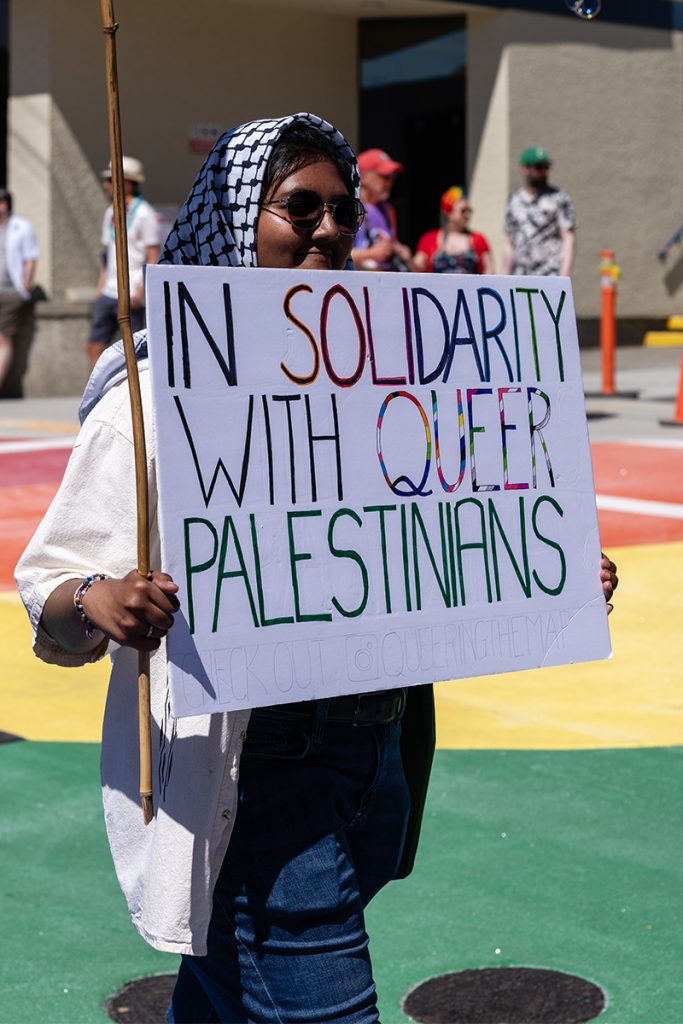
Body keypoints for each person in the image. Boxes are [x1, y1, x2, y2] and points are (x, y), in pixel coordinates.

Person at [15, 114, 618, 1024]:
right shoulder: (151, 391)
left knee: (228, 990)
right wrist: (100, 600)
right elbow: (51, 590)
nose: (331, 230)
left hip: (375, 755)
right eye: (301, 208)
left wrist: (547, 574)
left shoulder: (394, 375)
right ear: (233, 220)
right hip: (257, 773)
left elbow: (432, 543)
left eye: (344, 212)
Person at [86, 155, 161, 366]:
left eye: (111, 180)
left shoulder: (144, 213)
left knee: (134, 350)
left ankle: (131, 394)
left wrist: (140, 291)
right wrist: (99, 288)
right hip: (108, 291)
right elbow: (107, 253)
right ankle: (101, 396)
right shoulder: (110, 211)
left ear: (126, 182)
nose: (106, 185)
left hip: (131, 291)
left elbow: (153, 255)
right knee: (94, 345)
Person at [502, 146, 576, 278]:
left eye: (546, 167)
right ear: (524, 169)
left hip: (549, 273)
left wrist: (564, 277)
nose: (543, 172)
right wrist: (506, 276)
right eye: (538, 167)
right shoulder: (514, 200)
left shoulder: (559, 197)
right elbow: (509, 242)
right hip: (521, 275)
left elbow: (568, 238)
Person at [0, 188, 39, 391]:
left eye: (2, 202)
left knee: (3, 338)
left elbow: (30, 258)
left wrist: (25, 287)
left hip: (10, 292)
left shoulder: (21, 227)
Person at [351, 148, 414, 271]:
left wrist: (399, 250)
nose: (390, 182)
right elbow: (338, 254)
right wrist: (371, 254)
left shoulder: (387, 209)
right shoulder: (350, 207)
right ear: (364, 177)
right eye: (385, 177)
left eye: (392, 177)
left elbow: (390, 243)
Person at [414, 186, 493, 275]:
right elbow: (417, 270)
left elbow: (489, 270)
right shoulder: (429, 239)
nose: (467, 215)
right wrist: (407, 258)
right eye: (463, 211)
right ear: (449, 213)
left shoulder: (478, 239)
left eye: (469, 211)